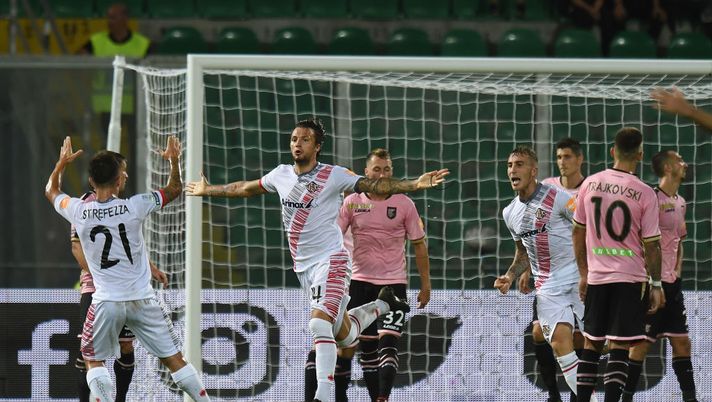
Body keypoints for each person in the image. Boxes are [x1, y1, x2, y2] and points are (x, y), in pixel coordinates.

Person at [185, 119, 448, 402]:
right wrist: (208, 189)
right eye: (294, 138)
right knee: (343, 334)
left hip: (332, 261)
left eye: (305, 139)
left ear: (318, 146)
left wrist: (413, 185)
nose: (297, 143)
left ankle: (322, 395)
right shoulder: (281, 175)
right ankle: (383, 304)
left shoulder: (334, 175)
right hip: (304, 268)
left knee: (318, 323)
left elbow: (372, 183)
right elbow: (245, 188)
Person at [46, 136, 210, 402]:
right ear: (119, 181)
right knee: (175, 360)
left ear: (91, 181)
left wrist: (61, 165)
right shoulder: (135, 206)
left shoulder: (78, 210)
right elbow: (174, 189)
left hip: (105, 301)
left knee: (92, 359)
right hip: (143, 300)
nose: (125, 177)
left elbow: (51, 191)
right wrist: (174, 161)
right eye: (123, 173)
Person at [315, 148, 431, 402]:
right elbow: (333, 238)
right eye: (376, 169)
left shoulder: (404, 203)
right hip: (359, 283)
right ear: (366, 173)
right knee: (366, 350)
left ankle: (382, 398)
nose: (381, 174)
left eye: (386, 169)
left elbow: (419, 245)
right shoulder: (353, 201)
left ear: (392, 172)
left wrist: (426, 285)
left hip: (394, 284)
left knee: (388, 343)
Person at [572, 127, 664, 402]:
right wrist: (656, 284)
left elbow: (578, 231)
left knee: (591, 344)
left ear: (612, 151)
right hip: (629, 278)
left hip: (598, 277)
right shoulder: (645, 193)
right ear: (640, 154)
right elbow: (652, 245)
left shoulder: (590, 183)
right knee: (619, 347)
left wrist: (583, 274)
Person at [71, 151, 169, 402]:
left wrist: (152, 267)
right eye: (121, 170)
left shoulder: (120, 206)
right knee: (87, 354)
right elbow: (75, 247)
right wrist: (103, 275)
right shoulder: (83, 205)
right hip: (96, 289)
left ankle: (120, 399)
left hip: (124, 289)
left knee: (126, 346)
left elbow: (129, 247)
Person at [494, 145, 589, 401]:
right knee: (560, 345)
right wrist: (510, 276)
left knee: (602, 344)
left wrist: (590, 270)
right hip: (547, 287)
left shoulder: (558, 198)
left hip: (579, 278)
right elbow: (522, 254)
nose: (513, 170)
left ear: (534, 170)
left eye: (519, 164)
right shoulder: (509, 212)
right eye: (510, 165)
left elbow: (586, 227)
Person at [622, 150, 697, 402]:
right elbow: (641, 241)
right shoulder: (652, 199)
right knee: (640, 346)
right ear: (667, 167)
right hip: (651, 284)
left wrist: (676, 271)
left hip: (673, 285)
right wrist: (651, 279)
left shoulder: (681, 201)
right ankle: (626, 397)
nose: (684, 164)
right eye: (679, 160)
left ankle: (690, 398)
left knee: (682, 343)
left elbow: (679, 241)